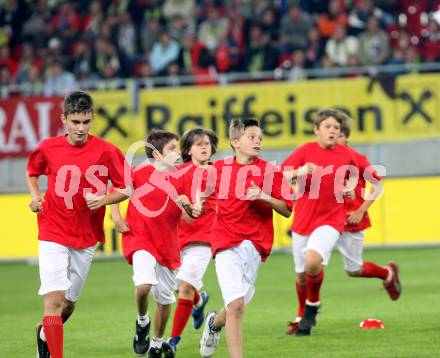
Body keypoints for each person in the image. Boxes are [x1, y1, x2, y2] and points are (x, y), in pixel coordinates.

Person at [27, 91, 130, 358]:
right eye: (75, 122)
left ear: (92, 119)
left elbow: (127, 188)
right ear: (64, 120)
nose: (81, 128)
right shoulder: (48, 148)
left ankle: (44, 334)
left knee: (68, 305)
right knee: (54, 299)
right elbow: (32, 171)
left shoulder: (107, 151)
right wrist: (36, 195)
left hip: (85, 236)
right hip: (52, 230)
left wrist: (105, 200)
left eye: (85, 122)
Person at [199, 118, 293, 358]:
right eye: (252, 137)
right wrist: (194, 207)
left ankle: (213, 323)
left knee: (236, 305)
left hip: (255, 245)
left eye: (260, 138)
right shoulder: (218, 170)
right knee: (237, 306)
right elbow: (201, 197)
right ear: (235, 142)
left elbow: (286, 208)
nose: (258, 141)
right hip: (225, 242)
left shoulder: (271, 171)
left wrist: (264, 196)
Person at [110, 129, 201, 358]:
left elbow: (193, 214)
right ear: (157, 154)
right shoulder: (138, 173)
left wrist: (189, 205)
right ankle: (142, 322)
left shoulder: (184, 176)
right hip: (140, 238)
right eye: (172, 148)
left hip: (168, 244)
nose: (178, 153)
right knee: (143, 285)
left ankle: (158, 344)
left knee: (164, 299)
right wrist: (117, 217)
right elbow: (116, 190)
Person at [282, 108, 358, 337]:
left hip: (331, 219)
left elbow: (354, 174)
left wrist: (351, 188)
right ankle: (301, 313)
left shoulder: (345, 154)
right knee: (300, 274)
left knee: (312, 263)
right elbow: (278, 175)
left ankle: (312, 306)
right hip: (304, 219)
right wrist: (299, 171)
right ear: (316, 130)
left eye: (336, 128)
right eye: (328, 127)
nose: (333, 131)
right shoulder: (305, 151)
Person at [162, 128, 218, 357]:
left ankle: (172, 341)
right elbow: (167, 201)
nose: (204, 147)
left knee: (184, 285)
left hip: (204, 239)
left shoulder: (219, 173)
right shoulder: (178, 173)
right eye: (198, 144)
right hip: (177, 239)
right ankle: (199, 300)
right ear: (187, 149)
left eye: (207, 143)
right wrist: (182, 205)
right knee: (177, 286)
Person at [336, 116, 401, 297]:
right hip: (326, 220)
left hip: (351, 220)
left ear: (347, 137)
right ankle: (305, 311)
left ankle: (387, 273)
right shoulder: (321, 158)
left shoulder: (357, 158)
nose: (335, 139)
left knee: (353, 269)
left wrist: (361, 210)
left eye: (339, 135)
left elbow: (377, 186)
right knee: (311, 262)